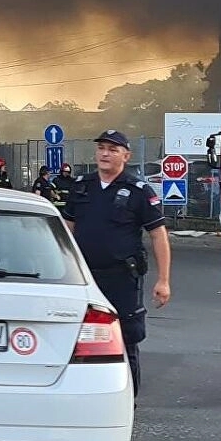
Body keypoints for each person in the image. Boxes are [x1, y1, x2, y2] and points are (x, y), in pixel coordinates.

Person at [62, 129, 169, 390]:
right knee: (78, 336)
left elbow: (158, 235)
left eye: (112, 149)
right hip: (84, 277)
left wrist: (163, 280)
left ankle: (126, 396)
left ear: (126, 155)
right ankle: (83, 392)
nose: (105, 154)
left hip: (122, 277)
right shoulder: (81, 187)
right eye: (101, 148)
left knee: (126, 338)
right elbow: (66, 231)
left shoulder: (138, 191)